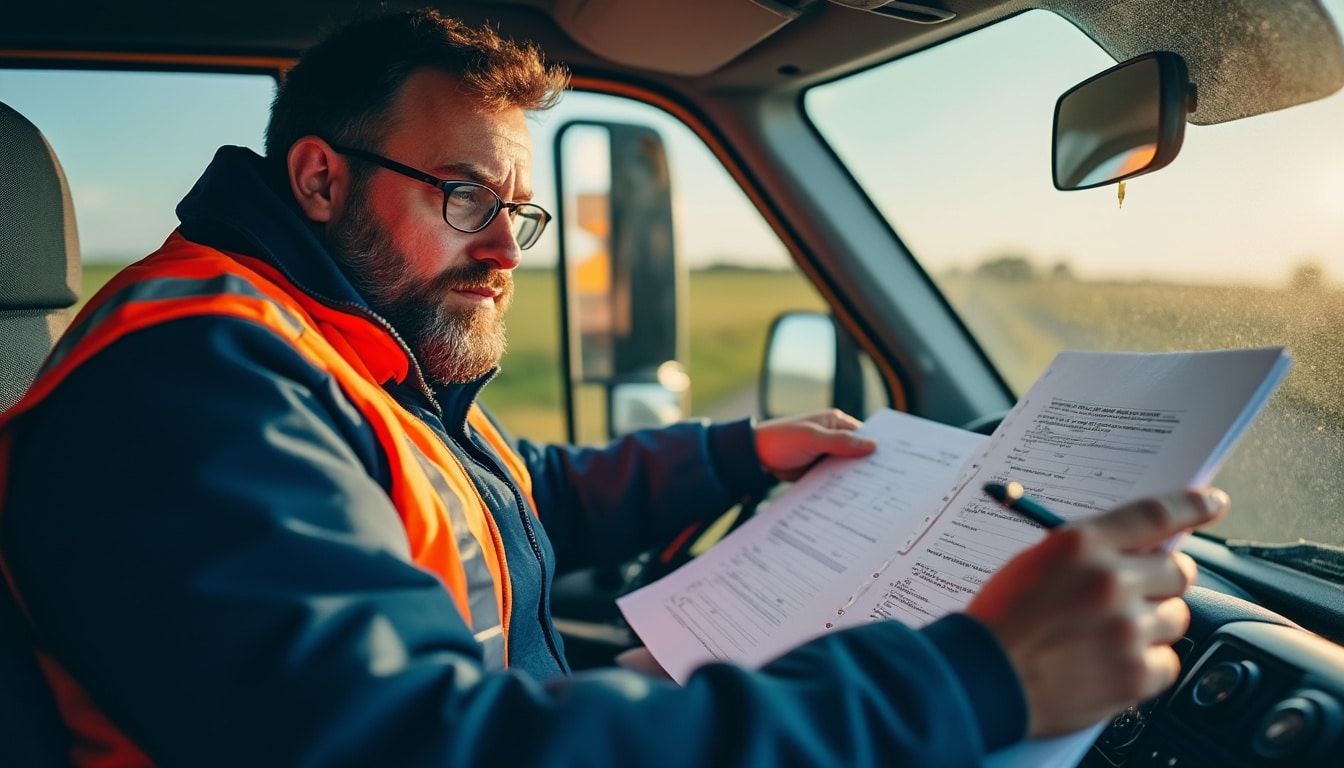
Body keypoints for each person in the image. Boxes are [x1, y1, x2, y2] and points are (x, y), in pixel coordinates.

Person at [0, 9, 1225, 768]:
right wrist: (972, 678)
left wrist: (740, 457)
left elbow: (504, 495)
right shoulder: (189, 382)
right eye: (465, 198)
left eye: (520, 212)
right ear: (319, 179)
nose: (505, 251)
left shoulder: (330, 342)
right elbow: (416, 749)